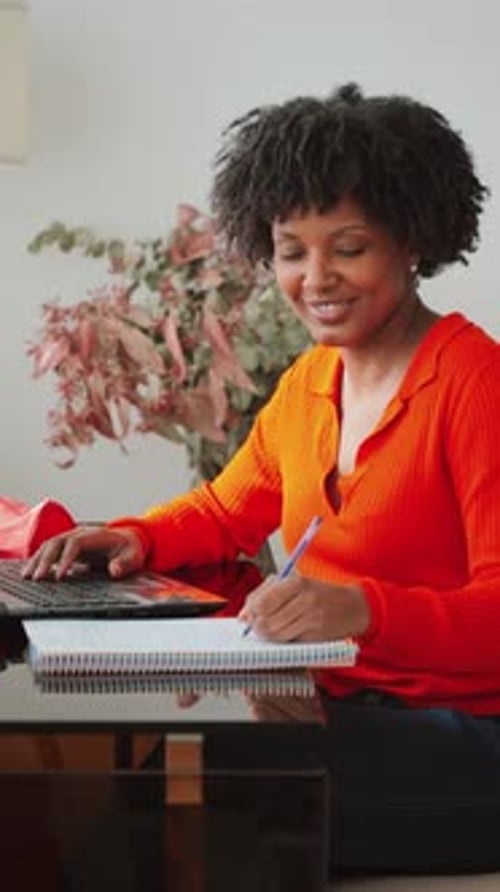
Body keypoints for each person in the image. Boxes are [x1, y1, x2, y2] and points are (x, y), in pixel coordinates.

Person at [25, 83, 500, 877]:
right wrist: (136, 535)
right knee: (128, 788)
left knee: (182, 813)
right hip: (341, 710)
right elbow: (223, 511)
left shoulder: (475, 386)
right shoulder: (310, 382)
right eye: (291, 250)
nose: (317, 277)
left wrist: (360, 609)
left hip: (470, 733)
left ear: (413, 241)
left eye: (349, 247)